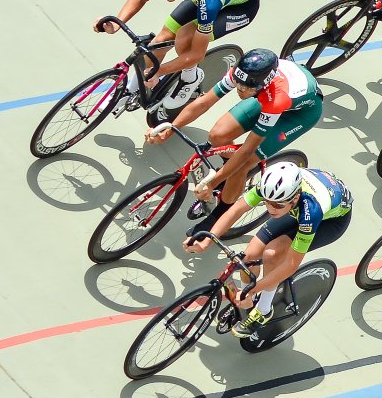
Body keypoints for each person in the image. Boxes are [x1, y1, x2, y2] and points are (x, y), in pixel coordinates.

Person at [145, 48, 322, 234]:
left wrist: (212, 183)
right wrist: (170, 128)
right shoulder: (243, 75)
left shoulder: (275, 99)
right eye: (238, 85)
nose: (240, 91)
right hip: (268, 94)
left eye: (245, 88)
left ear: (262, 84)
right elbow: (204, 102)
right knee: (217, 135)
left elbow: (246, 150)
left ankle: (219, 214)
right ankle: (229, 175)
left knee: (244, 162)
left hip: (300, 113)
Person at [184, 162, 352, 338]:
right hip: (301, 201)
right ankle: (247, 304)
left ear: (295, 198)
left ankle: (264, 310)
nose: (270, 209)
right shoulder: (271, 188)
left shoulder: (311, 211)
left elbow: (291, 264)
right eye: (267, 202)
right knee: (249, 255)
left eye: (277, 205)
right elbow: (237, 210)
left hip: (330, 222)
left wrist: (252, 290)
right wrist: (207, 240)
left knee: (272, 254)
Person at [94, 0, 261, 110]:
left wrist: (158, 71)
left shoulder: (209, 0)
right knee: (158, 42)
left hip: (241, 7)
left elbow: (197, 54)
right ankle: (130, 91)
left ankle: (190, 79)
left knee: (184, 38)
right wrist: (116, 23)